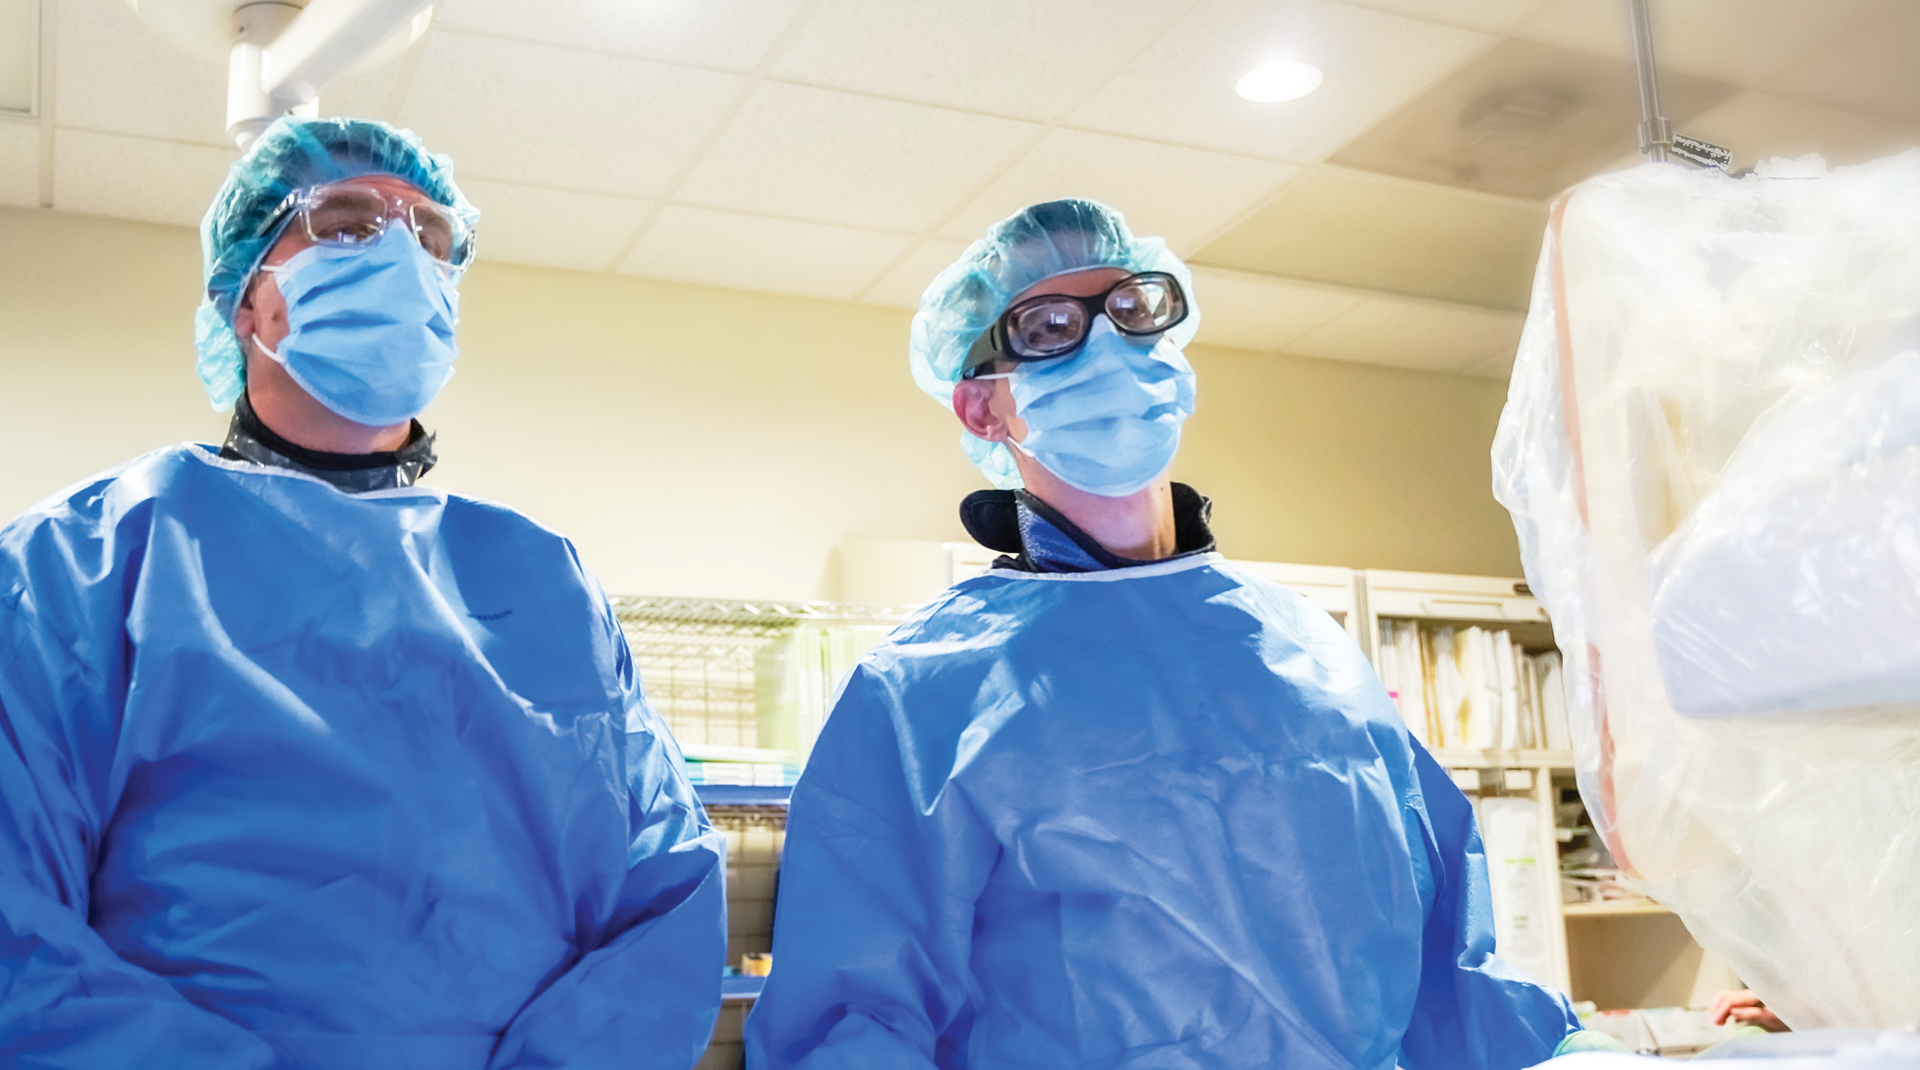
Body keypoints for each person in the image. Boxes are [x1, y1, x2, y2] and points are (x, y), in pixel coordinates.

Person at [745, 199, 1595, 1069]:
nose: (1109, 347)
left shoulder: (1310, 650)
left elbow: (1452, 970)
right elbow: (852, 1024)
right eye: (1050, 327)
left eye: (1133, 308)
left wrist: (1573, 1054)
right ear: (981, 409)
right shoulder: (919, 695)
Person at [0, 117, 723, 1069]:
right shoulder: (88, 560)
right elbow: (17, 936)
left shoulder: (541, 577)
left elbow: (668, 886)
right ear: (246, 303)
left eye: (432, 236)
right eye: (345, 224)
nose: (402, 257)